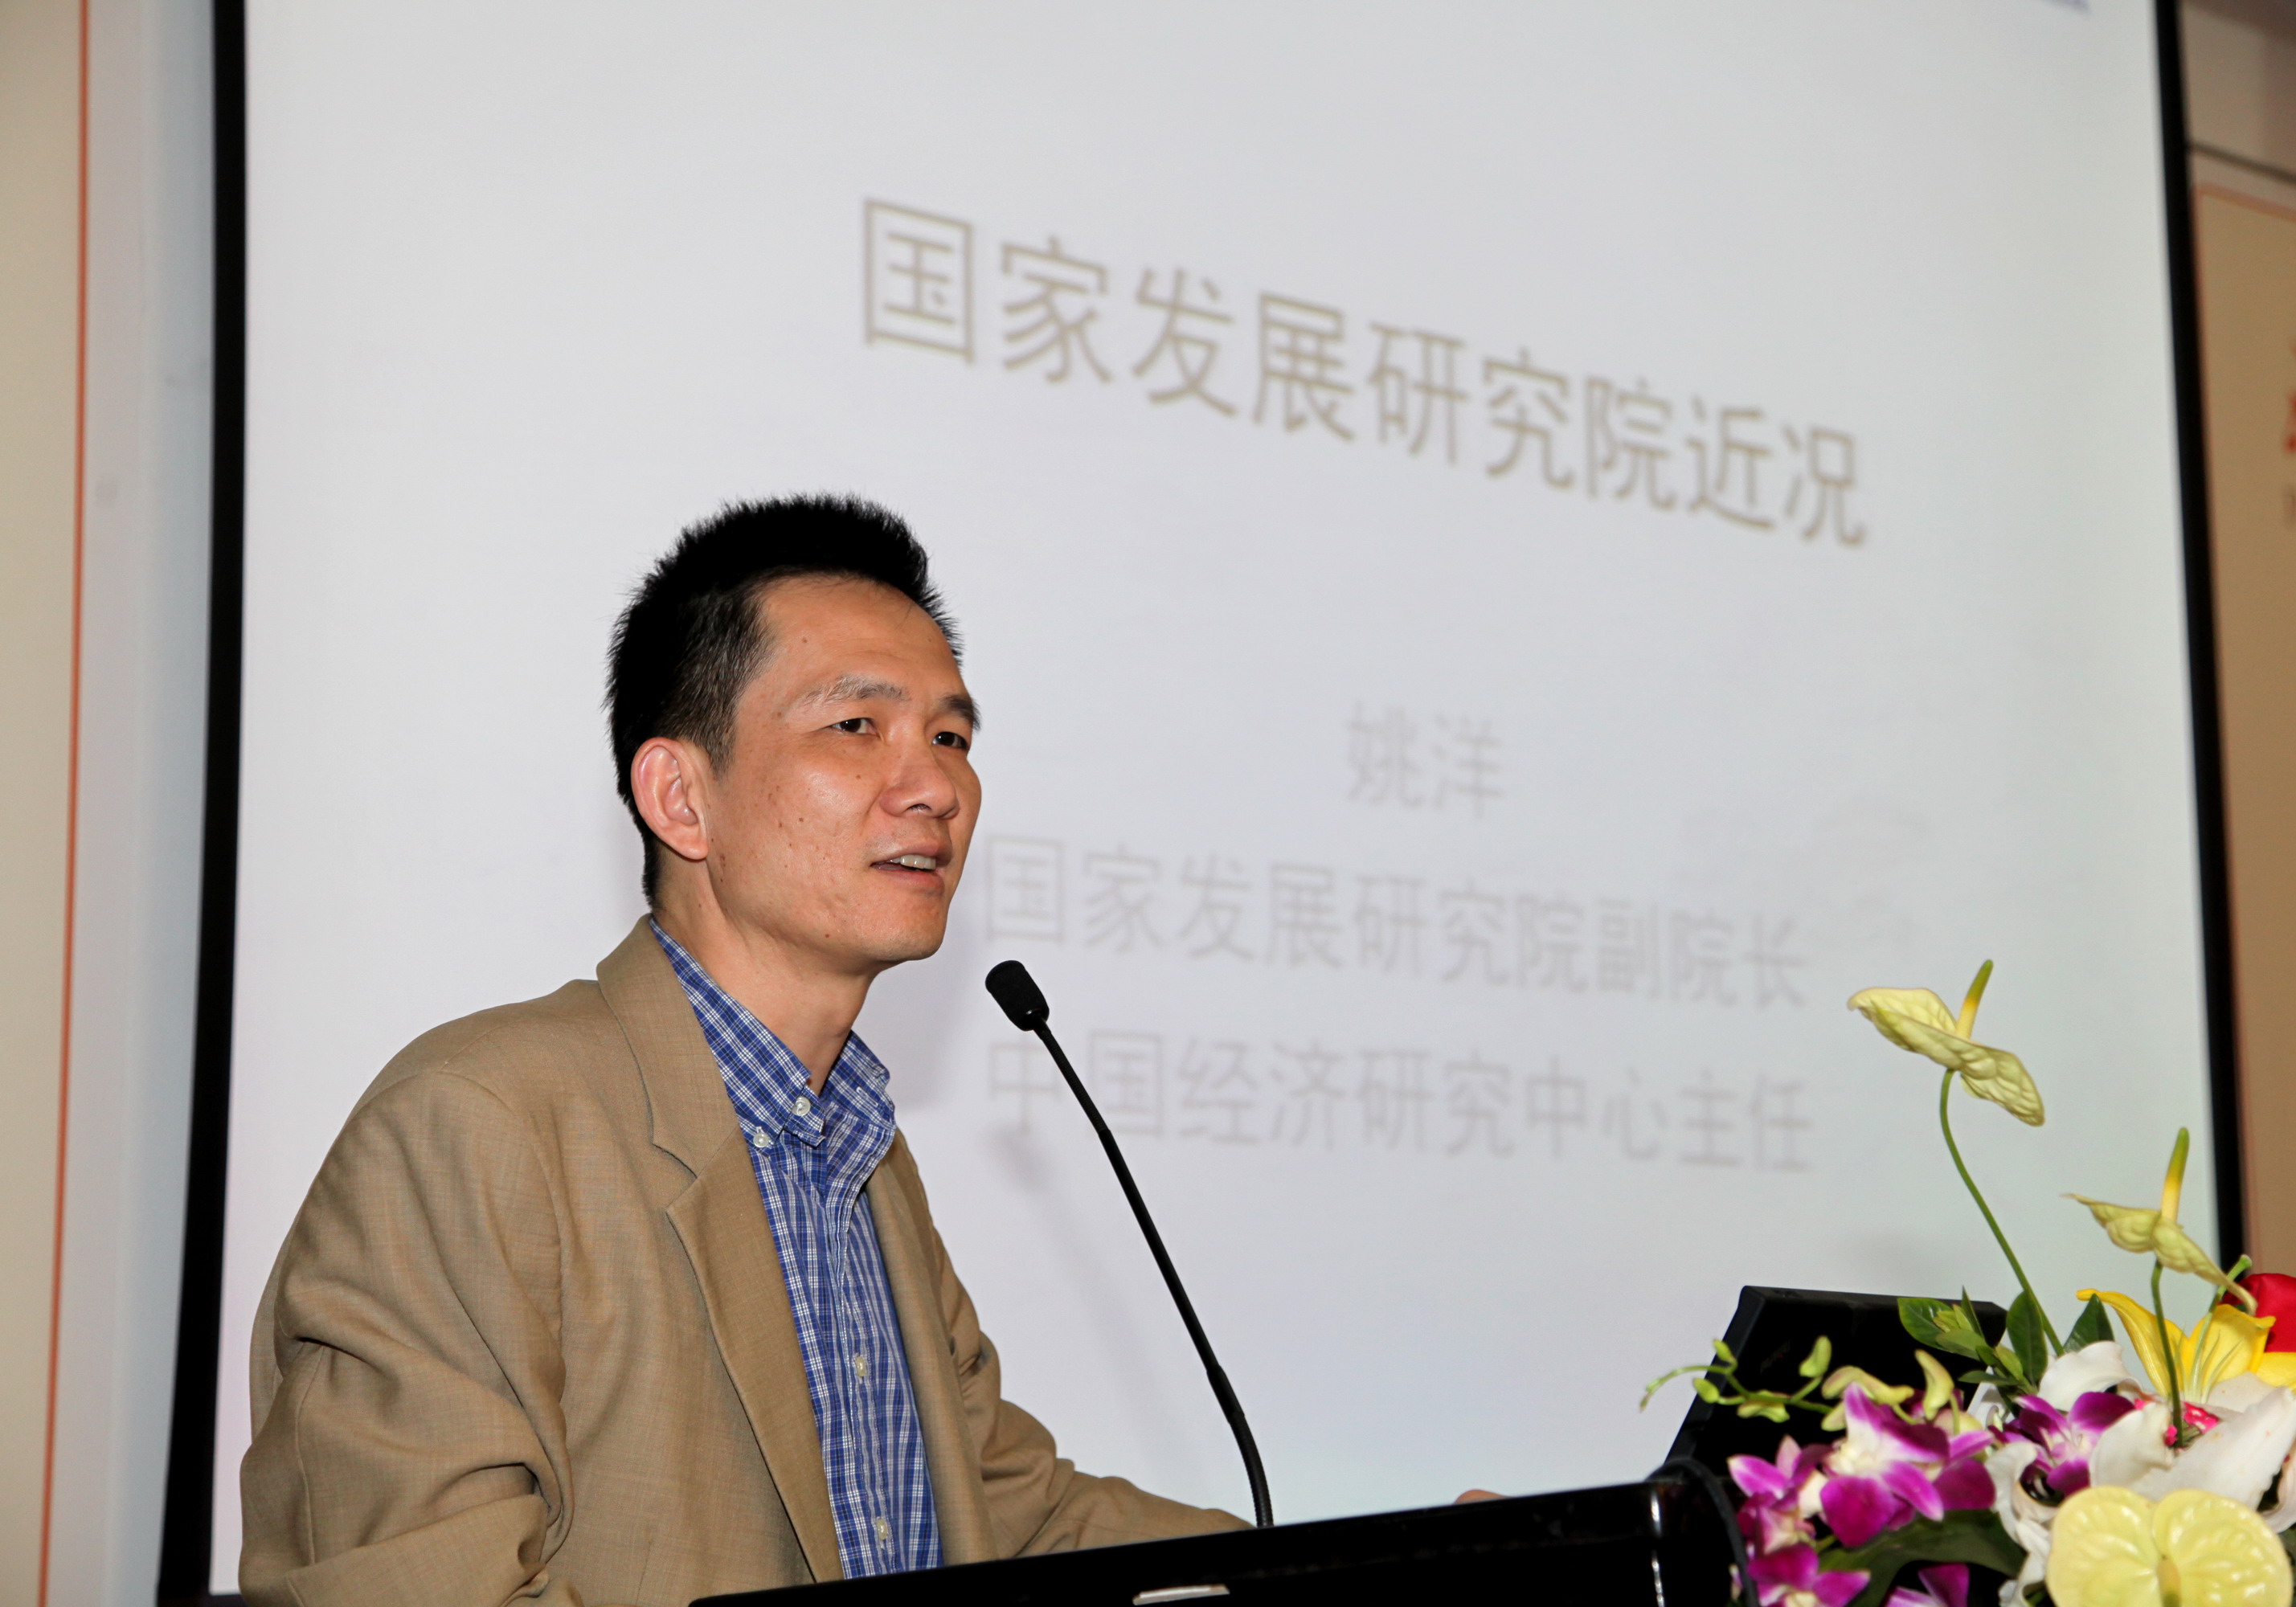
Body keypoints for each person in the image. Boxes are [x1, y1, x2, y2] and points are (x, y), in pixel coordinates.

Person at [238, 497, 1250, 1607]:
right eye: (856, 726)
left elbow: (1007, 1516)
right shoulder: (476, 1122)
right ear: (680, 798)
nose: (936, 787)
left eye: (951, 738)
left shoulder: (857, 1153)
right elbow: (412, 1586)